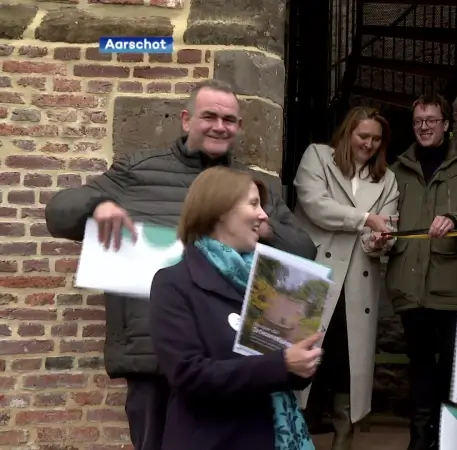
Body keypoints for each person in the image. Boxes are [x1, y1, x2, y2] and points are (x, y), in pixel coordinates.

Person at [42, 79, 317, 450]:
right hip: (151, 352)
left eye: (230, 119)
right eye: (210, 116)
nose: (220, 126)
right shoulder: (137, 171)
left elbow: (304, 251)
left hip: (232, 355)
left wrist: (260, 226)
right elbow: (59, 213)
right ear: (187, 120)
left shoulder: (257, 187)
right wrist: (96, 205)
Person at [149, 166, 320, 449]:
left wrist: (303, 358)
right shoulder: (173, 283)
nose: (264, 216)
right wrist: (282, 363)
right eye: (253, 204)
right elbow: (189, 375)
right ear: (219, 210)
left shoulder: (271, 281)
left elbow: (285, 372)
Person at [292, 106, 399, 450]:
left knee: (345, 364)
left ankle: (343, 438)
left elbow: (383, 233)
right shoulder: (317, 157)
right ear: (347, 133)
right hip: (313, 276)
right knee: (302, 356)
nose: (368, 144)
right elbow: (315, 205)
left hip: (355, 285)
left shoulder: (387, 179)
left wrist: (380, 240)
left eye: (376, 139)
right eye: (363, 136)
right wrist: (368, 219)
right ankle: (291, 434)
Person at [384, 92, 457, 449]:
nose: (424, 127)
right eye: (418, 122)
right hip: (410, 285)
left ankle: (446, 439)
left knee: (452, 369)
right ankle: (419, 438)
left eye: (431, 121)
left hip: (451, 284)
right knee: (420, 365)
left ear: (446, 124)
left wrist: (454, 218)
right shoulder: (397, 170)